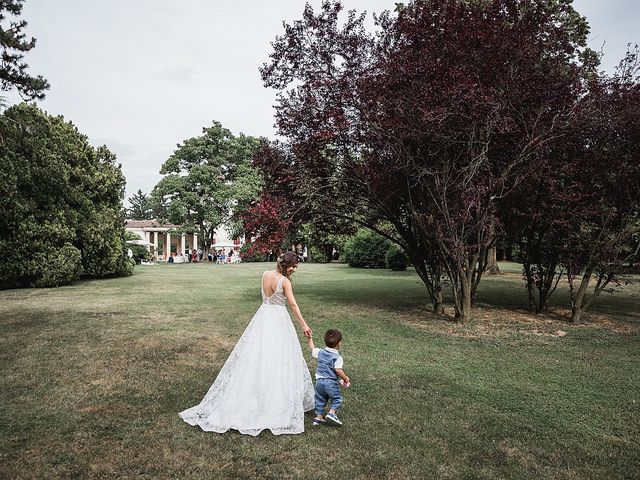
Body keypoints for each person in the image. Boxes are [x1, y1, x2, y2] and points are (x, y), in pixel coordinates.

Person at [179, 251, 315, 435]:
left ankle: (261, 392)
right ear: (285, 265)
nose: (294, 270)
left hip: (263, 316)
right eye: (293, 266)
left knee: (259, 354)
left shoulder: (265, 275)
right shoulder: (285, 282)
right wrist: (304, 325)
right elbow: (293, 305)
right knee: (276, 355)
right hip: (277, 319)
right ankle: (271, 400)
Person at [307, 329, 350, 426]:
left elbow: (312, 349)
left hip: (319, 382)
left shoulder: (320, 352)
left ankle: (318, 418)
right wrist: (345, 378)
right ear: (339, 343)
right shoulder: (337, 357)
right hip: (330, 383)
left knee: (320, 399)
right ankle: (332, 413)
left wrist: (310, 338)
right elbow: (338, 370)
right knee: (337, 399)